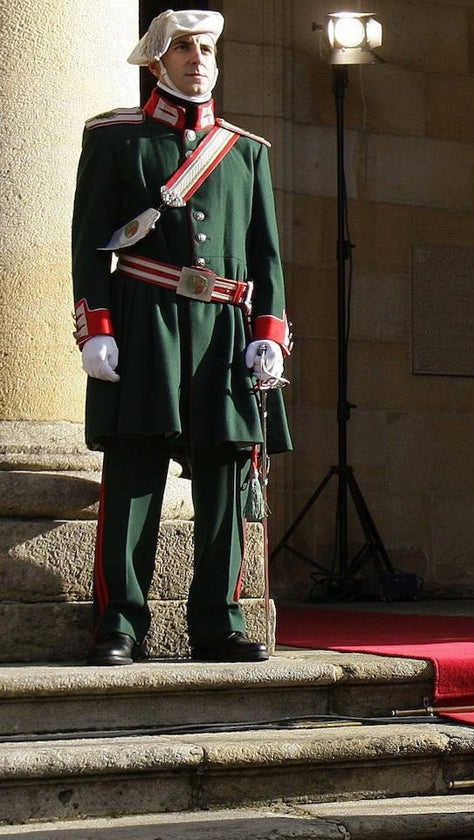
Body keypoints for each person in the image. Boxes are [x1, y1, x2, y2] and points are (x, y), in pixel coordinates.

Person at [72, 10, 292, 666]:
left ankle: (218, 623)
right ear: (156, 62)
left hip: (223, 331)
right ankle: (119, 622)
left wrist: (269, 335)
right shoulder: (115, 140)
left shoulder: (245, 152)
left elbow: (266, 257)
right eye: (185, 48)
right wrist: (96, 328)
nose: (199, 58)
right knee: (134, 472)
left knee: (225, 479)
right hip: (144, 322)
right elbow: (89, 245)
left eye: (207, 48)